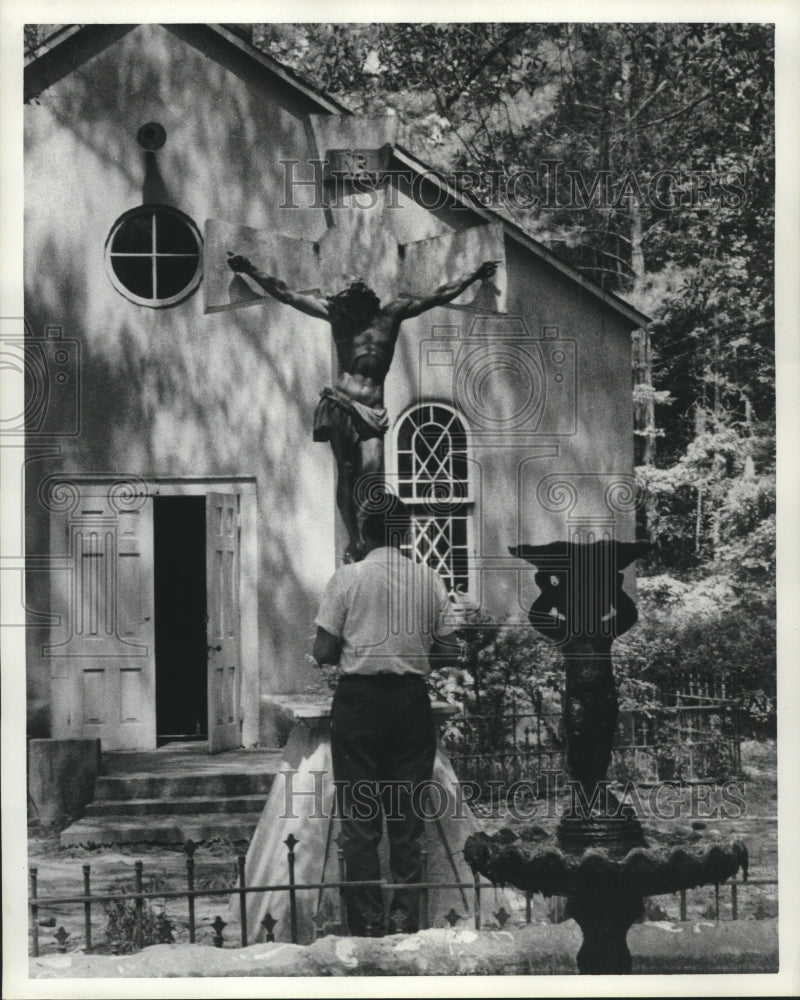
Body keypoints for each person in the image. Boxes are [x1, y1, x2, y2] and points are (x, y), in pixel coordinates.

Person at [227, 252, 499, 561]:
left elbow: (438, 295)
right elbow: (287, 294)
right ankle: (354, 540)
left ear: (364, 301)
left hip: (373, 410)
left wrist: (475, 276)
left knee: (371, 477)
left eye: (349, 304)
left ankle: (368, 537)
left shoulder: (392, 314)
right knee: (346, 472)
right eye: (342, 304)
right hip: (341, 405)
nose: (345, 310)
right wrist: (250, 269)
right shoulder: (337, 316)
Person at [312, 489, 459, 936]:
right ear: (407, 533)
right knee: (407, 819)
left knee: (360, 820)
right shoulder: (429, 579)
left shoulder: (347, 579)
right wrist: (410, 648)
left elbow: (322, 651)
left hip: (359, 704)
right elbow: (450, 649)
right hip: (410, 703)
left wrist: (358, 646)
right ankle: (403, 923)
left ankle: (366, 924)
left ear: (364, 531)